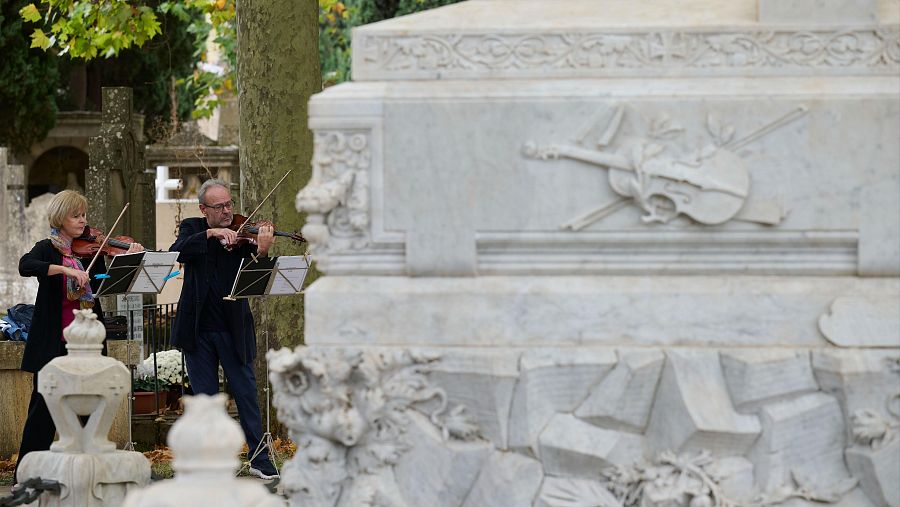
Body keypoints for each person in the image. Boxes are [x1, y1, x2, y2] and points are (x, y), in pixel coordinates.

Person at [15, 190, 143, 478]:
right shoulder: (47, 248)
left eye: (84, 215)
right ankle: (26, 475)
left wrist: (130, 255)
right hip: (54, 341)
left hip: (88, 342)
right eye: (76, 215)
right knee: (43, 412)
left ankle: (85, 472)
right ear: (60, 219)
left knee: (92, 406)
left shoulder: (91, 250)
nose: (83, 220)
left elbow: (106, 281)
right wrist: (66, 270)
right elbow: (26, 265)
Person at [168, 178, 279, 479]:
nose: (228, 211)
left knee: (246, 394)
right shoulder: (192, 228)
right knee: (205, 401)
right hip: (198, 330)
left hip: (233, 328)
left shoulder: (244, 235)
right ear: (204, 209)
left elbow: (257, 278)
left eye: (230, 204)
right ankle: (209, 463)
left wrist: (264, 251)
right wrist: (212, 232)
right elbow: (177, 251)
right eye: (220, 207)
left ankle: (259, 459)